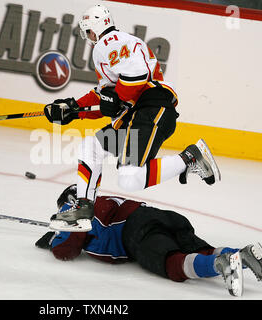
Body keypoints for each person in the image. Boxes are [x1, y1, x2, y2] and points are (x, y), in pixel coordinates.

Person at [44, 4, 220, 232]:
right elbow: (106, 98)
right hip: (136, 114)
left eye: (88, 30)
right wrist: (73, 108)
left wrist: (115, 98)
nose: (87, 36)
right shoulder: (114, 45)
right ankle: (84, 207)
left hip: (151, 108)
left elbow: (137, 77)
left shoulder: (109, 43)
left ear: (96, 28)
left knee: (130, 178)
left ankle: (191, 157)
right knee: (93, 149)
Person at [36, 185, 262, 297]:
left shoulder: (75, 206)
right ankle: (243, 256)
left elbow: (66, 250)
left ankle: (221, 265)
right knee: (203, 249)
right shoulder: (102, 197)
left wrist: (56, 238)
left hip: (135, 231)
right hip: (162, 216)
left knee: (173, 264)